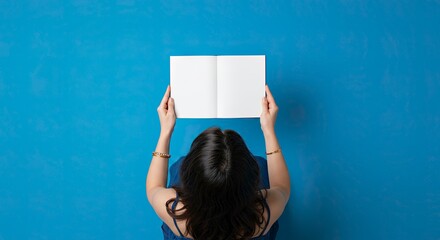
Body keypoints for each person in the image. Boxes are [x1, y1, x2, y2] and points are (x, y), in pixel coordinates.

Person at [146, 85, 290, 239]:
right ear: (247, 186)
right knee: (262, 164)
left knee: (178, 166)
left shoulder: (176, 213)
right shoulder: (262, 215)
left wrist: (165, 131)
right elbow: (282, 188)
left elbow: (153, 189)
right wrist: (269, 130)